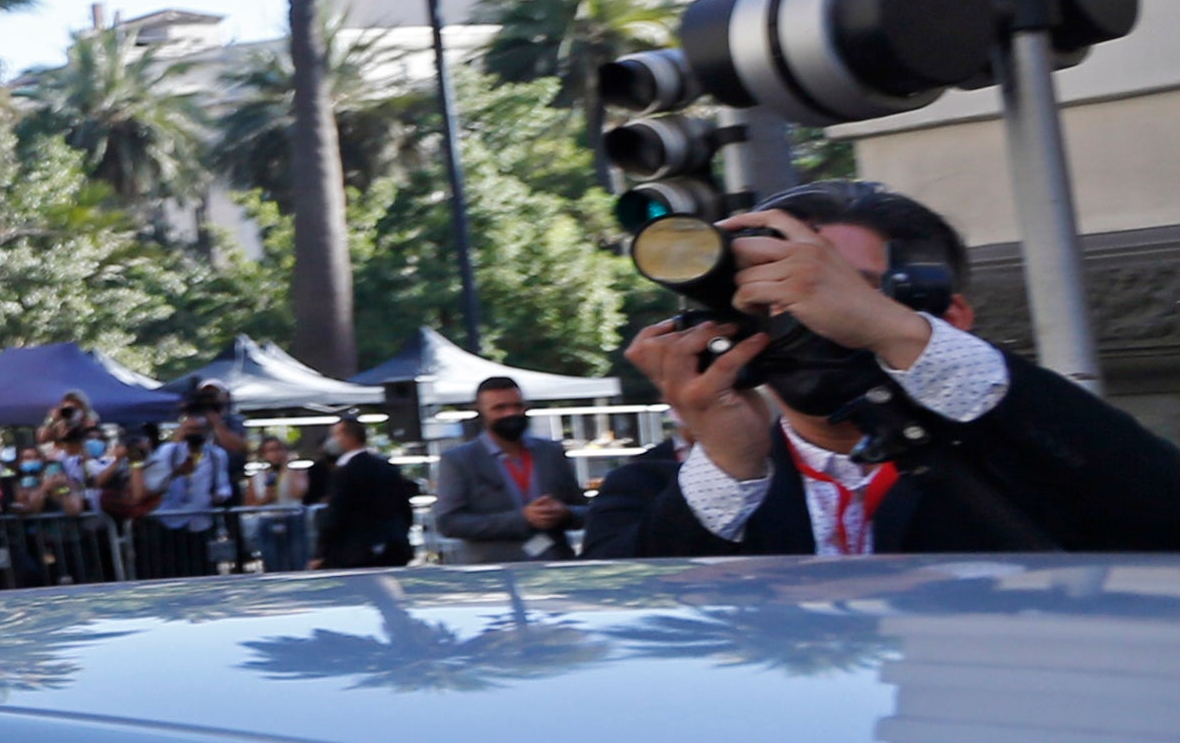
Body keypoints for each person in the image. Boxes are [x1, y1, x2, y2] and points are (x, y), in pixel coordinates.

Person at [601, 185, 1180, 556]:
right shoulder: (659, 487)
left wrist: (899, 336)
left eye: (841, 287)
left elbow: (1159, 511)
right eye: (766, 290)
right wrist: (729, 468)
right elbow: (623, 635)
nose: (797, 310)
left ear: (950, 315)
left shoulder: (1035, 457)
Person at [426, 376, 588, 564]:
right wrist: (521, 519)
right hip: (493, 570)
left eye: (517, 406)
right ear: (481, 412)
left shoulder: (551, 452)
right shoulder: (459, 460)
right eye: (499, 408)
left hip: (554, 565)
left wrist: (565, 513)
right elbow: (448, 523)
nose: (511, 413)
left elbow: (586, 512)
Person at [141, 389, 242, 579]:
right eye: (191, 431)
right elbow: (155, 480)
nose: (195, 435)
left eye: (199, 431)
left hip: (201, 520)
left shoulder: (216, 455)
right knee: (172, 570)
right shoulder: (168, 451)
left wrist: (220, 495)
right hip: (170, 520)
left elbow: (223, 485)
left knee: (202, 570)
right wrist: (177, 464)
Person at [307, 414, 417, 568]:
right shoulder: (386, 467)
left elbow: (336, 514)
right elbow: (404, 509)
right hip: (393, 548)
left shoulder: (345, 471)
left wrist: (321, 552)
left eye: (335, 435)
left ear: (348, 437)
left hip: (355, 553)